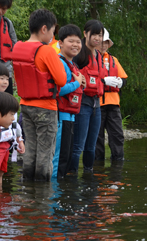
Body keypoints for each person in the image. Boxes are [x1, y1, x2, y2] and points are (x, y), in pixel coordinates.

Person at [12, 9, 66, 181]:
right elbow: (62, 80)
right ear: (44, 29)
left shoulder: (18, 47)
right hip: (45, 108)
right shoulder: (47, 51)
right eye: (52, 31)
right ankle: (42, 198)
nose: (52, 35)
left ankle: (28, 193)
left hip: (26, 106)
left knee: (31, 150)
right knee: (45, 152)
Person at [69, 20, 105, 174]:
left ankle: (89, 175)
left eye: (100, 35)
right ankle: (72, 178)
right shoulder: (79, 53)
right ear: (85, 34)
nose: (97, 38)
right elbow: (68, 71)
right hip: (82, 103)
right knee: (78, 145)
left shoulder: (98, 54)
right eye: (94, 34)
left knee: (92, 145)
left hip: (96, 104)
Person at [54, 24, 84, 179]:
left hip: (71, 116)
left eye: (78, 42)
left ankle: (61, 193)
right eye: (71, 41)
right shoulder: (60, 62)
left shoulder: (73, 64)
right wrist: (77, 83)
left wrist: (80, 85)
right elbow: (59, 90)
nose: (75, 45)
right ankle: (53, 193)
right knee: (59, 157)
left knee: (67, 157)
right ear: (60, 43)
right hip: (61, 116)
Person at [96, 28, 128, 162]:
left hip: (113, 103)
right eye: (101, 42)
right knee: (98, 137)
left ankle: (118, 162)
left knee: (117, 135)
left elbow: (124, 79)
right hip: (97, 103)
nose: (103, 45)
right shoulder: (90, 58)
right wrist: (103, 81)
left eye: (106, 43)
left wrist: (121, 82)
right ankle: (97, 166)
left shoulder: (114, 59)